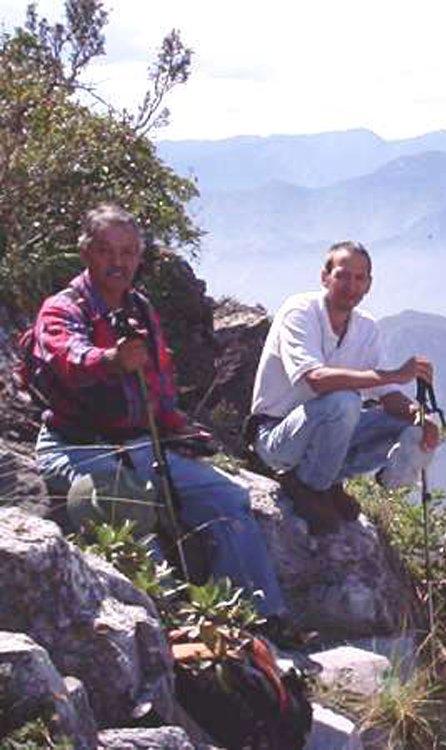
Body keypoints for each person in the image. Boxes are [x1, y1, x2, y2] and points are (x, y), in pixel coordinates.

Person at [32, 204, 290, 631]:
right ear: (86, 252)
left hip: (138, 442)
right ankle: (169, 625)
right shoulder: (62, 309)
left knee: (228, 498)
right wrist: (110, 359)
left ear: (139, 257)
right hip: (75, 446)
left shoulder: (139, 308)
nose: (118, 262)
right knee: (129, 507)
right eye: (106, 250)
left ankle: (260, 619)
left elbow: (159, 384)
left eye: (128, 252)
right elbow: (67, 355)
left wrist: (177, 427)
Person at [249, 240, 440, 534]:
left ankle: (331, 481)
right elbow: (316, 379)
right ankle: (309, 487)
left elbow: (387, 396)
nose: (351, 286)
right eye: (342, 275)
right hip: (278, 436)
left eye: (359, 278)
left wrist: (420, 417)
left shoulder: (365, 328)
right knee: (344, 401)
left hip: (324, 435)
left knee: (409, 423)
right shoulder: (300, 312)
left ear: (368, 285)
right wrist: (393, 374)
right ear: (325, 277)